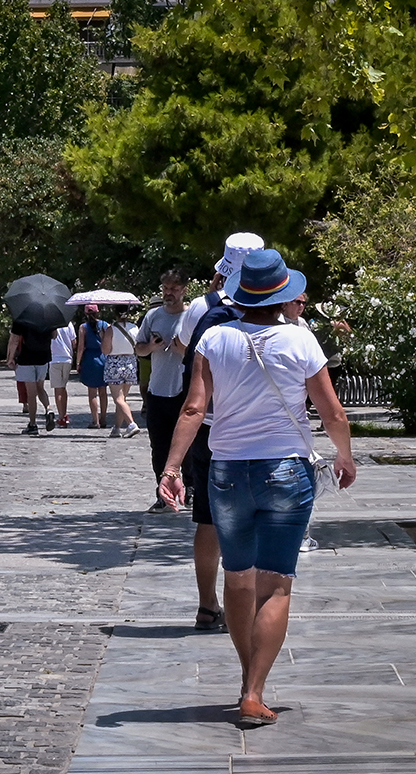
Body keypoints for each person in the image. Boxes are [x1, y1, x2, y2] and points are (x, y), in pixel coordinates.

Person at [159, 249, 356, 727]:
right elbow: (331, 412)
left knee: (239, 577)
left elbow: (192, 409)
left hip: (226, 471)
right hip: (286, 470)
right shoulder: (301, 341)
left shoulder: (214, 338)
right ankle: (253, 691)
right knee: (277, 584)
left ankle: (248, 677)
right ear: (283, 295)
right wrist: (344, 456)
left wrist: (171, 469)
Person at [176, 233, 263, 630]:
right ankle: (254, 604)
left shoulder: (201, 308)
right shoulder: (275, 307)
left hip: (212, 427)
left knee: (208, 520)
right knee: (257, 520)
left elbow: (182, 351)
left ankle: (208, 604)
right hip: (261, 432)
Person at [135, 270, 189, 512]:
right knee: (159, 446)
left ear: (184, 290)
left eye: (174, 289)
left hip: (184, 392)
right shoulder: (153, 316)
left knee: (189, 445)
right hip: (157, 392)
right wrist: (151, 346)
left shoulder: (192, 317)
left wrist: (182, 350)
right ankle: (162, 492)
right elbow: (139, 349)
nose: (169, 293)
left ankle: (191, 490)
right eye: (166, 288)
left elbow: (205, 353)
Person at [7, 320, 54, 435]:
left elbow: (14, 340)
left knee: (31, 394)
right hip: (43, 358)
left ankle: (33, 425)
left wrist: (10, 358)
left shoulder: (21, 318)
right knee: (40, 388)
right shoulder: (47, 317)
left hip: (26, 359)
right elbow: (54, 336)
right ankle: (49, 409)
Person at [103, 307, 141, 437]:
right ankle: (117, 428)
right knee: (122, 398)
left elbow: (105, 350)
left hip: (115, 362)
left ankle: (131, 424)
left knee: (118, 398)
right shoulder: (135, 328)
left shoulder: (111, 329)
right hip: (130, 362)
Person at [77, 305, 110, 429]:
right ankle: (103, 419)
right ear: (98, 312)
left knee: (92, 393)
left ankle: (95, 421)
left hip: (90, 359)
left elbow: (80, 347)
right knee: (103, 391)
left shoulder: (83, 327)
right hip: (103, 357)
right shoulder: (105, 325)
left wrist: (78, 363)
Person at [48, 320, 77, 428]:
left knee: (58, 389)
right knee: (63, 388)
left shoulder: (50, 323)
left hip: (54, 359)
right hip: (67, 359)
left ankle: (61, 417)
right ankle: (64, 413)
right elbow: (74, 342)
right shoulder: (68, 323)